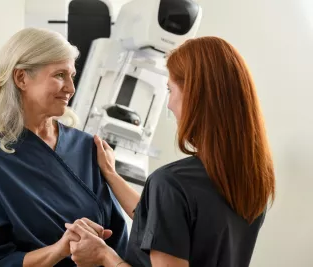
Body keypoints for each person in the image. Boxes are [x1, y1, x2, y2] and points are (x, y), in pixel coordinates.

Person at [64, 36, 276, 267]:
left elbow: (171, 210)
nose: (169, 104)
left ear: (194, 97)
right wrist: (112, 176)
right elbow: (168, 223)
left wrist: (105, 256)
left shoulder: (171, 183)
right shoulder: (250, 181)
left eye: (170, 90)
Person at [0, 28, 128, 267]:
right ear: (21, 78)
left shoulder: (87, 147)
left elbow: (118, 236)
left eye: (72, 76)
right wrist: (58, 250)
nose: (71, 87)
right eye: (59, 75)